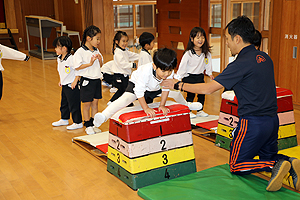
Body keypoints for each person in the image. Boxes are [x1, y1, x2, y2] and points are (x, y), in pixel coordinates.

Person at [161, 16, 300, 192]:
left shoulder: (240, 64)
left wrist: (178, 84)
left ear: (237, 38)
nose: (226, 43)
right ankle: (289, 163)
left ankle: (275, 165)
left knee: (236, 165)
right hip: (273, 121)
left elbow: (209, 89)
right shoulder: (265, 58)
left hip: (252, 123)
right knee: (267, 155)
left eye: (227, 39)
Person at [94, 48, 201, 128]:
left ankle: (187, 105)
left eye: (169, 71)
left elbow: (166, 88)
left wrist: (162, 105)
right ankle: (104, 116)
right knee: (126, 99)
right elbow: (139, 92)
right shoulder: (146, 72)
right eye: (163, 71)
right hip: (137, 86)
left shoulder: (168, 72)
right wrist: (146, 108)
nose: (167, 74)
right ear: (154, 66)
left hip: (155, 88)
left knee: (177, 93)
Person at [175, 27, 214, 118]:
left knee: (202, 94)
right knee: (190, 95)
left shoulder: (206, 53)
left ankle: (200, 111)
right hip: (189, 77)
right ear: (192, 39)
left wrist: (210, 73)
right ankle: (189, 111)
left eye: (202, 37)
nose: (200, 40)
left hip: (200, 76)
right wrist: (178, 77)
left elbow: (208, 64)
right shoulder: (188, 53)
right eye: (198, 37)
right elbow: (182, 66)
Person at [73, 25, 103, 135]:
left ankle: (94, 124)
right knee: (86, 104)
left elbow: (100, 65)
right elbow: (76, 66)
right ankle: (87, 124)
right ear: (89, 38)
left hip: (96, 80)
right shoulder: (80, 51)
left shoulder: (96, 50)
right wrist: (89, 64)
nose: (99, 41)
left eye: (99, 38)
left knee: (95, 103)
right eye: (97, 38)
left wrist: (99, 60)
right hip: (87, 81)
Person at [51, 36, 83, 130]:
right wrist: (61, 80)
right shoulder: (59, 58)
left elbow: (78, 70)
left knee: (74, 104)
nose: (55, 49)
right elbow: (61, 71)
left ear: (64, 48)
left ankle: (78, 122)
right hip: (65, 85)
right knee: (64, 103)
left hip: (72, 86)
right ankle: (64, 118)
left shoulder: (71, 59)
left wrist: (75, 81)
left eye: (57, 47)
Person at [109, 31, 139, 104]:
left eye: (126, 41)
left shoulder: (124, 50)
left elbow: (131, 55)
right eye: (123, 41)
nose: (125, 43)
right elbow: (122, 64)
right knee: (122, 90)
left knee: (124, 90)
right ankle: (111, 102)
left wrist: (141, 56)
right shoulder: (118, 52)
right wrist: (133, 65)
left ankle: (127, 103)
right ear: (117, 41)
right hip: (119, 76)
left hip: (124, 75)